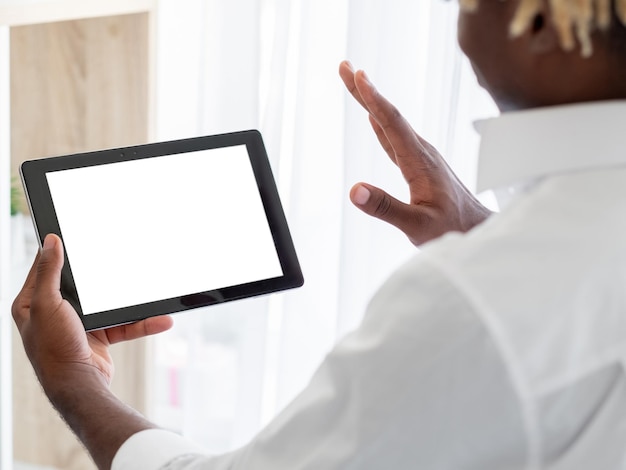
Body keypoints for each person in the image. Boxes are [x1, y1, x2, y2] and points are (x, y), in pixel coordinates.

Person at [12, 0, 626, 468]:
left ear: (541, 22)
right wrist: (483, 235)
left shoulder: (477, 302)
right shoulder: (540, 265)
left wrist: (73, 381)